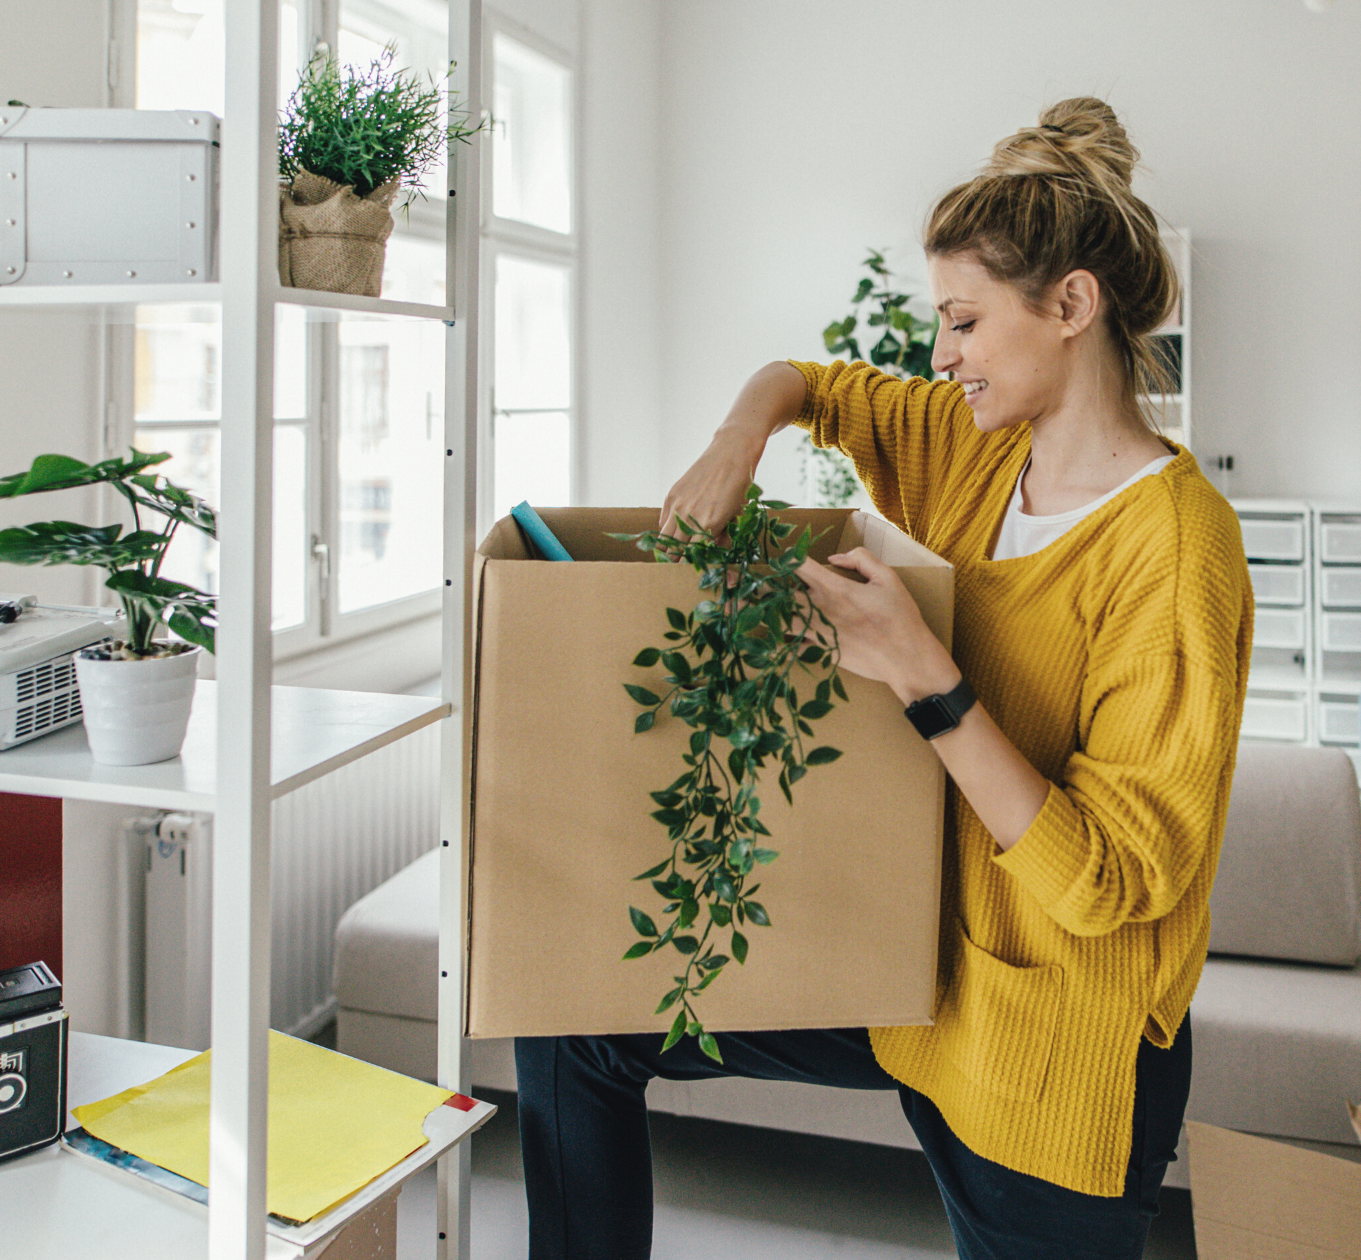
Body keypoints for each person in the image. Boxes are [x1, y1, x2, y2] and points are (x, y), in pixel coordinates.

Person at [513, 96, 1254, 1260]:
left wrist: (926, 678)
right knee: (576, 1022)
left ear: (1069, 306)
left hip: (1055, 1042)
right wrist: (734, 442)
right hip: (916, 970)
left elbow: (1111, 884)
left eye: (961, 320)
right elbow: (802, 380)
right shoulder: (977, 446)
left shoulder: (1176, 553)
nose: (940, 354)